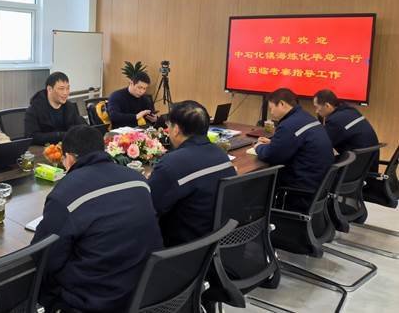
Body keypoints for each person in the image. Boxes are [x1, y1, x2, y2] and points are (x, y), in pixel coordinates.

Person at [32, 125, 162, 313]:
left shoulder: (66, 192)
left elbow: (44, 256)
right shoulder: (138, 179)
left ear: (69, 157)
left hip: (96, 301)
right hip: (145, 290)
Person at [148, 100, 236, 247]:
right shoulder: (220, 153)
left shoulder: (172, 163)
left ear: (176, 129)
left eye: (169, 126)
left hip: (184, 247)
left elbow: (149, 207)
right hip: (216, 239)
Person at [255, 88, 334, 194]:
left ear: (282, 104)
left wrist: (258, 147)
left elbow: (271, 155)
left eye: (271, 108)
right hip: (319, 182)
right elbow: (296, 141)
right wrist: (273, 142)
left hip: (303, 189)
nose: (271, 112)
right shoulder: (306, 116)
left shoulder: (289, 124)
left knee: (259, 183)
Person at [314, 89, 380, 171]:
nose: (316, 111)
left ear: (327, 105)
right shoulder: (351, 111)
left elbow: (320, 146)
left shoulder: (335, 121)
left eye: (316, 107)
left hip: (354, 169)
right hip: (368, 165)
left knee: (315, 164)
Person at [24, 72, 85, 145]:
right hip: (44, 149)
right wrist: (59, 135)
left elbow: (80, 128)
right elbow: (32, 137)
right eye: (61, 89)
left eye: (67, 88)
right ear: (49, 89)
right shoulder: (34, 109)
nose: (65, 93)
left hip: (68, 148)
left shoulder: (70, 107)